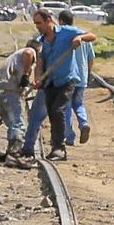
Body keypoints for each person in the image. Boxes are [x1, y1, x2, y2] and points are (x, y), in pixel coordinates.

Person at [28, 8, 98, 161]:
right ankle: (56, 147)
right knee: (53, 114)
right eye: (35, 24)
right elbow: (40, 63)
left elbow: (92, 36)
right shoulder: (41, 42)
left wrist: (80, 38)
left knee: (58, 110)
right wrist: (38, 79)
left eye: (39, 23)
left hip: (67, 80)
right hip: (50, 82)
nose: (37, 26)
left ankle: (60, 150)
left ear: (49, 21)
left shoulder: (66, 32)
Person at [0, 41, 38, 160]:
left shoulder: (16, 58)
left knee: (12, 124)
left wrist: (29, 85)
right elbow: (28, 52)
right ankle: (14, 154)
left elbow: (18, 80)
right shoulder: (30, 51)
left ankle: (10, 152)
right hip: (8, 92)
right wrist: (26, 75)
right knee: (18, 124)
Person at [62, 11, 92, 143]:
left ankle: (69, 137)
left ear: (61, 21)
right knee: (79, 104)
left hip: (69, 77)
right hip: (83, 76)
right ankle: (83, 123)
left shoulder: (64, 36)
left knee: (66, 106)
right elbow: (91, 58)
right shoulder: (85, 36)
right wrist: (88, 73)